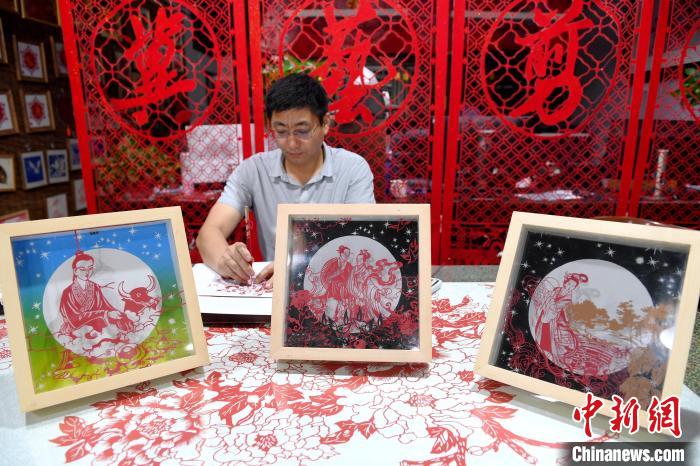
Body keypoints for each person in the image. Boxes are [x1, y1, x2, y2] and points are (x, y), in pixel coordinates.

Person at [197, 73, 375, 284]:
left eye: (302, 131)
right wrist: (227, 261)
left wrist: (298, 267)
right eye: (281, 131)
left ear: (325, 123)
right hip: (273, 289)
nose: (291, 143)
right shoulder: (254, 170)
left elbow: (364, 240)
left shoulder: (352, 169)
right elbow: (209, 232)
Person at [59, 252, 117, 338]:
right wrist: (104, 313)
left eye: (90, 268)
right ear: (75, 271)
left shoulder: (95, 286)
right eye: (82, 269)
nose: (87, 272)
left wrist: (115, 313)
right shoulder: (67, 292)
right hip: (76, 329)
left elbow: (104, 306)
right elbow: (74, 318)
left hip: (97, 323)